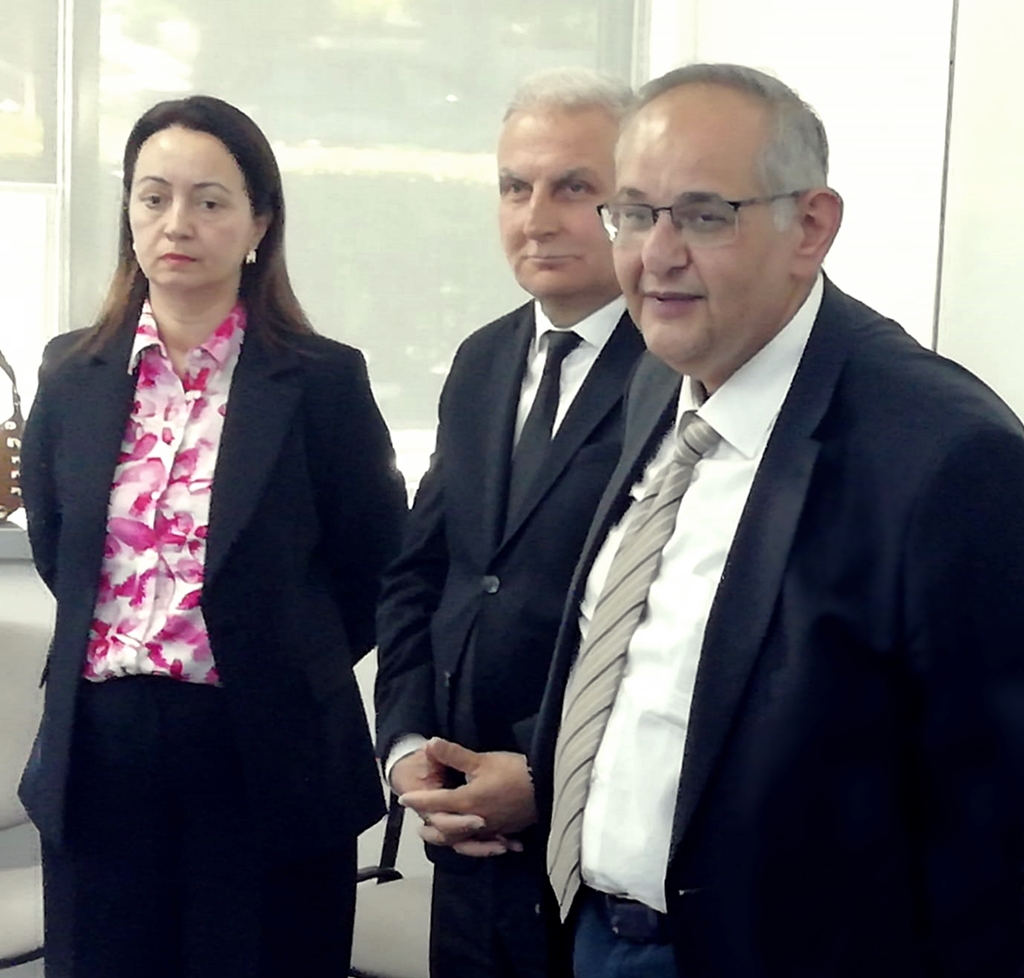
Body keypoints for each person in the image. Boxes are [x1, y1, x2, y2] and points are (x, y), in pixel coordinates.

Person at [407, 64, 1024, 977]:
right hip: (588, 930)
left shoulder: (945, 457)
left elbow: (993, 840)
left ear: (810, 227)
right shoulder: (665, 378)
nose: (655, 255)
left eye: (703, 215)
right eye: (634, 213)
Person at [18, 94, 406, 978]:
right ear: (128, 212)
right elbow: (58, 543)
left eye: (210, 200)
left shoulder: (321, 381)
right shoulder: (71, 371)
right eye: (153, 197)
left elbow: (375, 564)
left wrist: (280, 658)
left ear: (259, 223)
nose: (177, 223)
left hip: (266, 748)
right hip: (101, 751)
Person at [374, 68, 643, 977]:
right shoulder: (483, 360)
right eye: (514, 186)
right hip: (461, 831)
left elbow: (676, 625)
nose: (537, 217)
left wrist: (545, 770)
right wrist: (407, 746)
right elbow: (422, 574)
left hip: (595, 850)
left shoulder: (678, 372)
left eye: (575, 187)